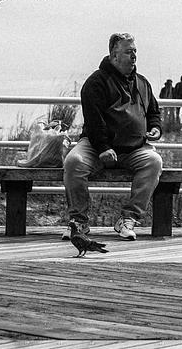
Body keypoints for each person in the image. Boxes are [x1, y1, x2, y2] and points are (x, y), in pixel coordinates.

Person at [63, 32, 163, 242]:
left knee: (154, 162)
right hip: (96, 146)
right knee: (74, 162)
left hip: (133, 148)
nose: (134, 56)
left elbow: (153, 111)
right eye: (128, 52)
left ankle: (129, 218)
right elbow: (94, 120)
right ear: (114, 55)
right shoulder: (96, 82)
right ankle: (79, 221)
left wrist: (155, 127)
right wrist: (103, 147)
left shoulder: (143, 82)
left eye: (135, 51)